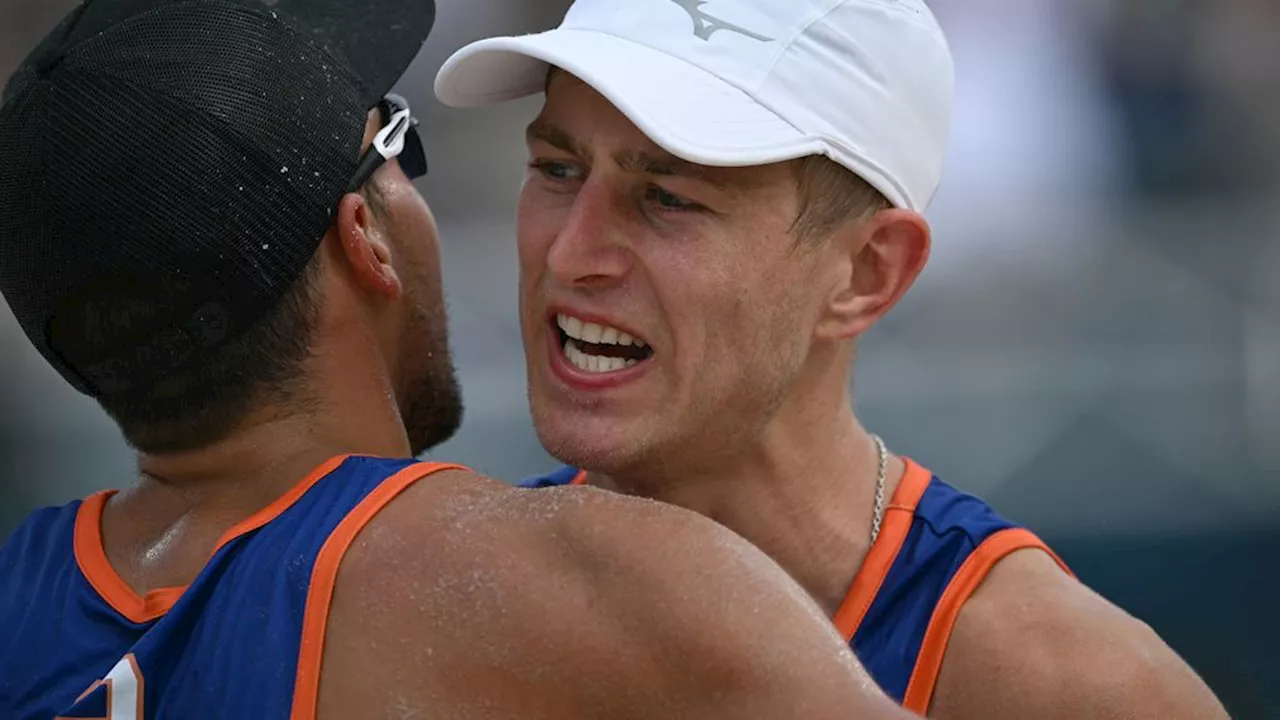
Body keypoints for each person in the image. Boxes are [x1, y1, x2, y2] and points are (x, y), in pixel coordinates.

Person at [0, 1, 918, 718]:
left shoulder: (14, 601)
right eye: (397, 144)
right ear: (367, 240)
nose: (568, 254)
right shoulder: (602, 582)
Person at [433, 0, 1232, 717]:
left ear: (867, 272)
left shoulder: (1066, 685)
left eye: (669, 199)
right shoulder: (435, 602)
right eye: (557, 171)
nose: (572, 255)